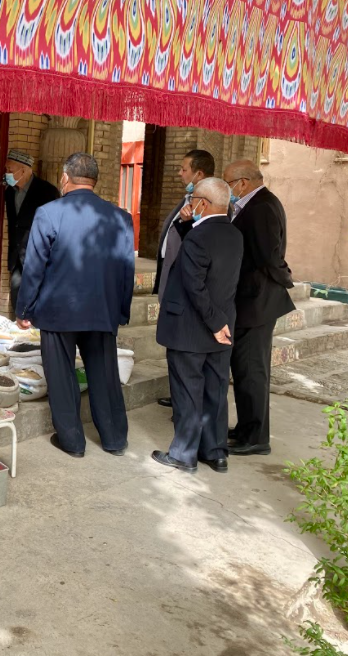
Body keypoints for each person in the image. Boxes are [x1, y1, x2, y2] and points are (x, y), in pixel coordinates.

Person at [16, 153, 135, 457]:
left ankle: (72, 442)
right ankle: (114, 439)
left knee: (61, 376)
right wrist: (121, 311)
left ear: (65, 178)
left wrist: (24, 309)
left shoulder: (48, 213)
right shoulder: (120, 217)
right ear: (95, 180)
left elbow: (34, 267)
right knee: (104, 375)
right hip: (102, 311)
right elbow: (126, 269)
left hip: (58, 312)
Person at [152, 178, 243, 474]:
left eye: (193, 199)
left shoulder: (199, 237)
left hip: (192, 328)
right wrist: (220, 323)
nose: (189, 204)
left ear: (203, 203)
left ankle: (183, 454)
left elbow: (194, 284)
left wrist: (215, 323)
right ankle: (215, 452)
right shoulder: (233, 234)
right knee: (215, 390)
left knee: (188, 391)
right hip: (222, 327)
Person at [223, 160, 294, 455]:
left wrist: (285, 278)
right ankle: (246, 427)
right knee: (243, 368)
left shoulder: (262, 206)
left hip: (258, 302)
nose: (227, 189)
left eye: (228, 183)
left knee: (252, 369)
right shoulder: (255, 203)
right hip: (253, 301)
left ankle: (256, 438)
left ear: (243, 182)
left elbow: (269, 255)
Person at [155, 149, 217, 409]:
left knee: (184, 350)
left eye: (184, 169)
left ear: (199, 173)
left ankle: (186, 405)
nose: (179, 173)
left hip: (187, 288)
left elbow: (201, 244)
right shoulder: (188, 200)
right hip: (173, 281)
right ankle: (179, 395)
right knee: (175, 348)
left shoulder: (208, 207)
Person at [4, 149, 60, 314]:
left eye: (10, 170)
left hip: (40, 256)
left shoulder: (47, 192)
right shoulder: (9, 192)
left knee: (39, 300)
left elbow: (56, 226)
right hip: (18, 258)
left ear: (23, 170)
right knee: (17, 297)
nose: (6, 173)